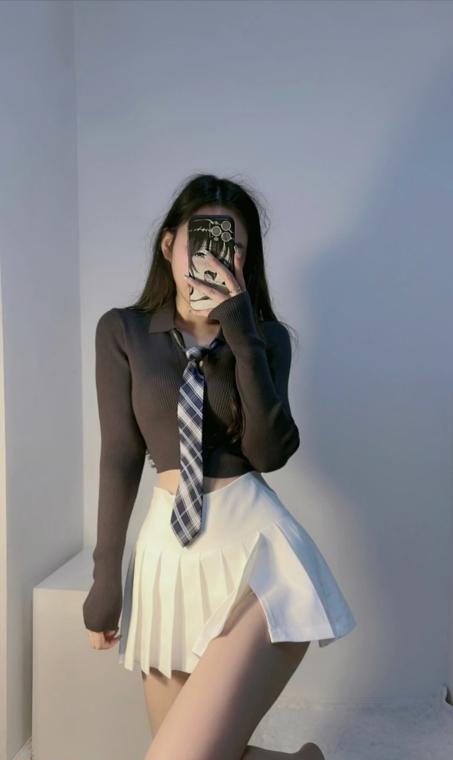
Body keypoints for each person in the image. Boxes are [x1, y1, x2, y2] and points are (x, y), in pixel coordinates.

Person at [82, 174, 357, 760]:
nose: (214, 257)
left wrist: (242, 330)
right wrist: (105, 582)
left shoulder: (266, 338)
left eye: (231, 247)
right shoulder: (123, 331)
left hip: (255, 554)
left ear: (244, 260)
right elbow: (119, 455)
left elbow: (270, 453)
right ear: (168, 244)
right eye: (200, 240)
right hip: (166, 560)